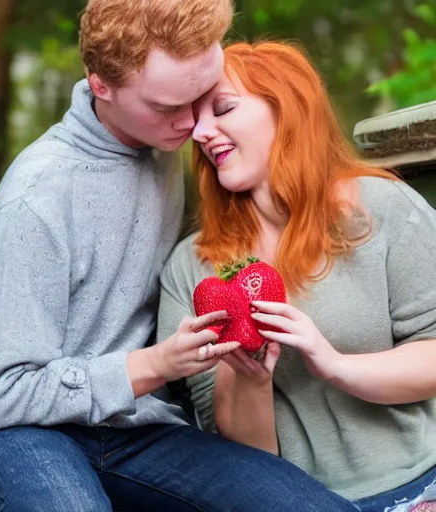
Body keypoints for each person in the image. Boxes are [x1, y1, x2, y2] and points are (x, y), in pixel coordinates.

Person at [0, 1, 358, 510]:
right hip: (16, 434)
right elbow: (2, 393)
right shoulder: (38, 194)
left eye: (202, 96)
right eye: (168, 107)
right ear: (102, 86)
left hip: (137, 431)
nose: (193, 126)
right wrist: (156, 364)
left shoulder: (162, 149)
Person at [157, 40, 436, 512]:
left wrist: (334, 364)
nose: (200, 132)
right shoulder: (191, 268)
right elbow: (244, 459)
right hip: (297, 501)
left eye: (222, 108)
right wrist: (247, 378)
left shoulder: (384, 209)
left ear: (286, 108)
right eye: (195, 118)